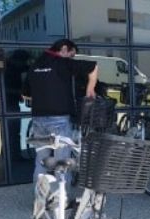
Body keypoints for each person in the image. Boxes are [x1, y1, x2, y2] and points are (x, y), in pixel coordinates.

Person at [22, 39, 98, 182]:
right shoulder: (62, 63)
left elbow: (26, 94)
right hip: (60, 119)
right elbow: (93, 67)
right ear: (64, 49)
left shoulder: (34, 66)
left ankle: (40, 201)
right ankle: (61, 202)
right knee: (61, 162)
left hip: (38, 119)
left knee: (41, 160)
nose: (71, 58)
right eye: (71, 55)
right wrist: (90, 89)